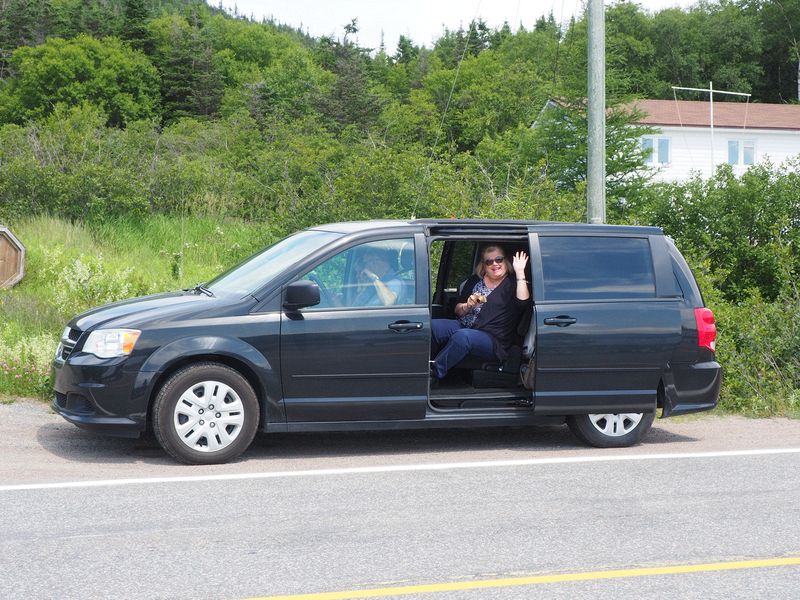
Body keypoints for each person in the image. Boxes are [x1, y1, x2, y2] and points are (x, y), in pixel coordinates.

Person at [431, 245, 530, 379]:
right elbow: (457, 311)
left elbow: (523, 302)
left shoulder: (512, 283)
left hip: (492, 338)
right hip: (465, 325)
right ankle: (420, 365)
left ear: (505, 261)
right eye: (489, 261)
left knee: (462, 337)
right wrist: (467, 306)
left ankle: (434, 373)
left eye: (499, 259)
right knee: (431, 327)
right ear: (484, 266)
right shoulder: (475, 281)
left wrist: (520, 272)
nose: (495, 264)